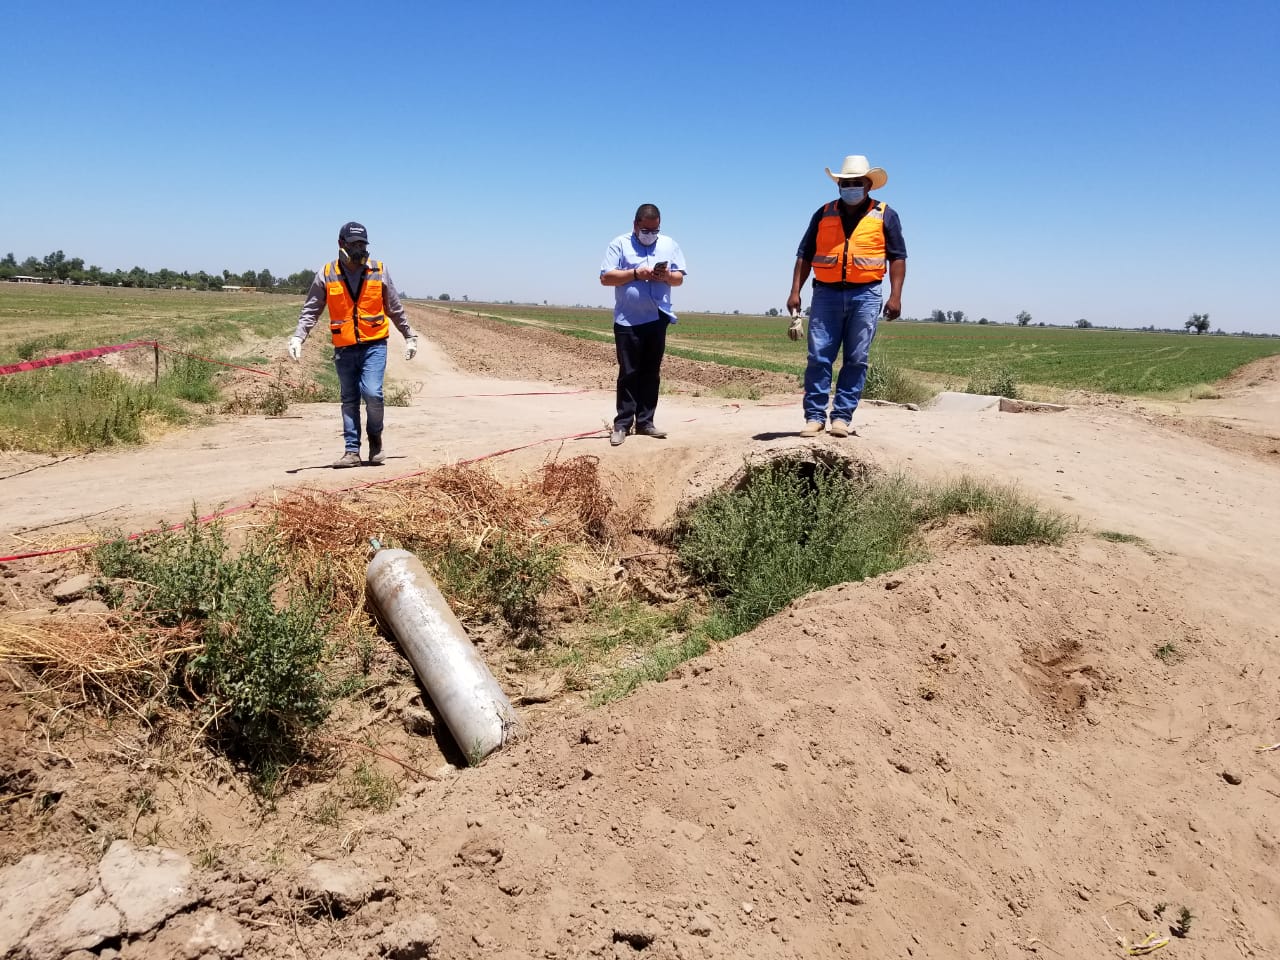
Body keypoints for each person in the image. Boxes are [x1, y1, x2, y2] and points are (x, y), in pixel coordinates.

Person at [786, 155, 906, 438]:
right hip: (825, 293)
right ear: (838, 185)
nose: (850, 188)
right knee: (819, 356)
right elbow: (804, 254)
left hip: (866, 294)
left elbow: (898, 257)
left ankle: (842, 417)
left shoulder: (885, 214)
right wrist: (795, 291)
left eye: (856, 183)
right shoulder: (823, 213)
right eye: (845, 183)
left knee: (856, 358)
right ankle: (814, 417)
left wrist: (895, 296)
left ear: (869, 185)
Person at [288, 222, 418, 467]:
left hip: (374, 345)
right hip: (344, 347)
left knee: (373, 393)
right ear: (341, 244)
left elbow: (394, 307)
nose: (359, 249)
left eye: (362, 244)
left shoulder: (379, 270)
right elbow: (312, 309)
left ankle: (375, 438)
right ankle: (351, 452)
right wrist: (298, 336)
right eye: (353, 244)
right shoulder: (327, 273)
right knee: (349, 399)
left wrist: (409, 335)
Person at [598, 204, 687, 446]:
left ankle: (646, 422)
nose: (650, 234)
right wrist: (636, 273)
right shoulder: (619, 244)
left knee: (651, 372)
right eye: (646, 230)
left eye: (655, 230)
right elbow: (606, 277)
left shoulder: (669, 245)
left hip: (657, 317)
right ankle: (622, 424)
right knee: (629, 372)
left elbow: (679, 278)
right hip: (628, 319)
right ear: (635, 225)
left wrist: (666, 276)